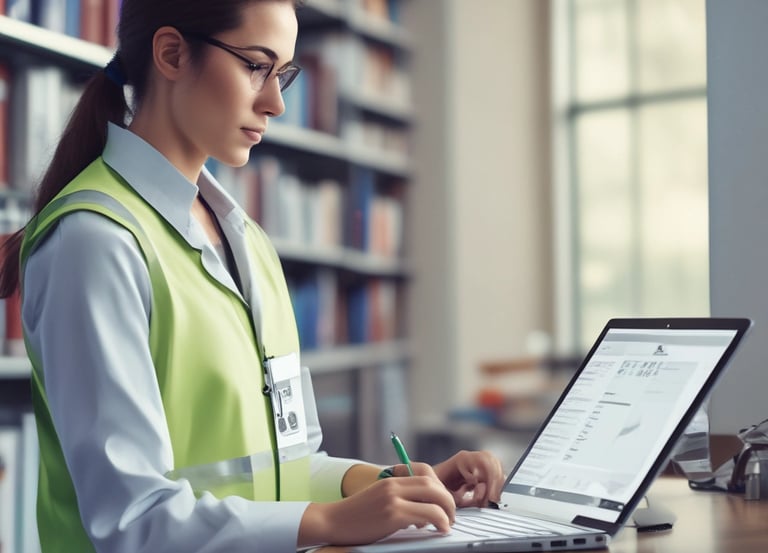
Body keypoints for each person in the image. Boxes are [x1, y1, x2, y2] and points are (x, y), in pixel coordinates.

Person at [0, 1, 505, 552]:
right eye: (255, 66)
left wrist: (395, 487)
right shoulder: (94, 241)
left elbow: (290, 465)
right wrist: (334, 523)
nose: (277, 101)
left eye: (283, 73)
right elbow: (134, 521)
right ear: (171, 53)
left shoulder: (249, 243)